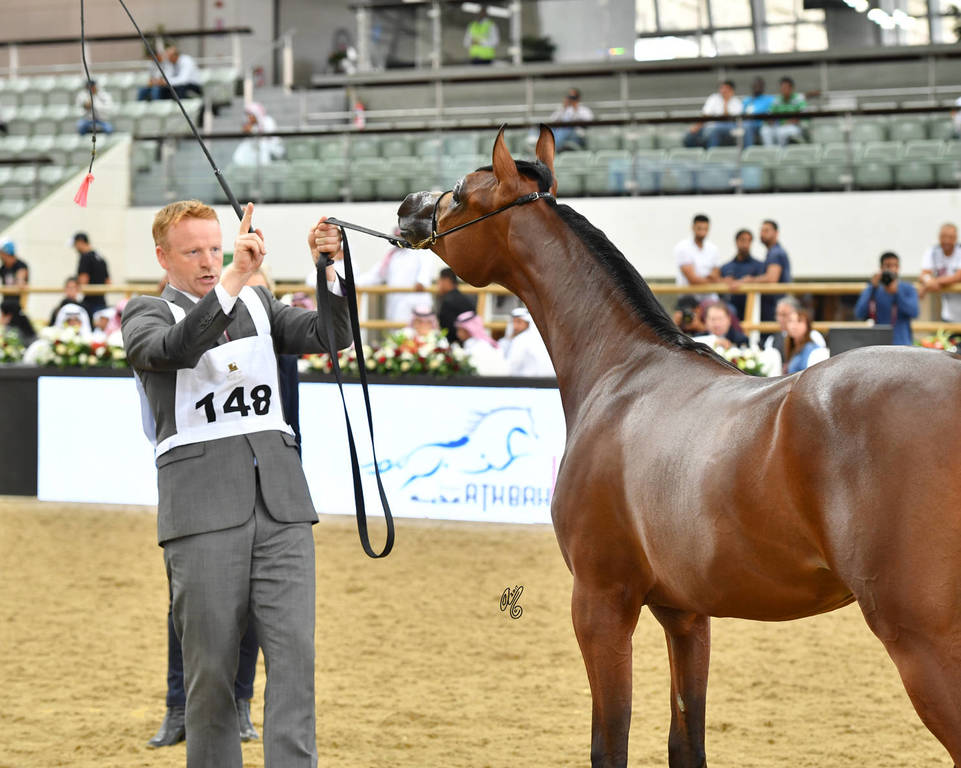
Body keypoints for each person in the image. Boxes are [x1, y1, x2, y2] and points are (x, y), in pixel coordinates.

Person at [121, 199, 351, 768]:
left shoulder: (258, 301)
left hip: (282, 506)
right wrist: (229, 282)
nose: (206, 261)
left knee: (296, 664)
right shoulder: (145, 311)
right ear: (162, 258)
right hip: (200, 512)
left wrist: (329, 268)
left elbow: (331, 332)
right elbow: (168, 352)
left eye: (213, 248)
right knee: (211, 676)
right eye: (191, 251)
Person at [355, 237, 434, 324]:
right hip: (394, 302)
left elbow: (425, 270)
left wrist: (421, 281)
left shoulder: (419, 250)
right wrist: (354, 283)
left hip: (414, 301)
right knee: (395, 333)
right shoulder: (392, 254)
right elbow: (376, 274)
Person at [853, 252, 919, 346]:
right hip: (878, 344)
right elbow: (859, 313)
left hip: (902, 343)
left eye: (895, 266)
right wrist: (872, 288)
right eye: (888, 266)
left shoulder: (907, 288)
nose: (892, 269)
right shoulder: (873, 289)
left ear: (899, 268)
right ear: (881, 268)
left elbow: (914, 312)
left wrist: (897, 293)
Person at [736, 219, 792, 322]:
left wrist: (749, 280)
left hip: (776, 305)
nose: (762, 234)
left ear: (776, 233)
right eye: (761, 231)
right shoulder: (772, 252)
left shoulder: (776, 253)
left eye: (766, 231)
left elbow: (771, 278)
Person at [720, 229, 766, 320]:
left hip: (753, 312)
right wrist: (724, 282)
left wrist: (747, 281)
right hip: (731, 310)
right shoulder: (726, 267)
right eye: (743, 240)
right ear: (736, 242)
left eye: (749, 241)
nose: (745, 244)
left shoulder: (759, 266)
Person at [919, 223, 961, 322]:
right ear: (939, 237)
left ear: (955, 238)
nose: (946, 240)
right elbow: (924, 274)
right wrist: (928, 281)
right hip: (949, 313)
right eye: (943, 237)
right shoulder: (933, 252)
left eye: (950, 237)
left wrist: (934, 282)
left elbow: (958, 276)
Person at [684, 80, 743, 149]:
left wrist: (726, 102)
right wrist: (696, 127)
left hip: (729, 128)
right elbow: (705, 115)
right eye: (721, 88)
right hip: (709, 126)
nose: (723, 91)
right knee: (689, 137)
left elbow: (728, 119)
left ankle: (711, 154)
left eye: (726, 88)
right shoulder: (714, 98)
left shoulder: (737, 102)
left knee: (714, 131)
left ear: (731, 90)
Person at [674, 214, 720, 301]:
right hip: (689, 299)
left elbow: (716, 275)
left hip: (710, 298)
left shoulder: (713, 248)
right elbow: (692, 279)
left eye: (705, 229)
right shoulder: (682, 247)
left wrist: (706, 280)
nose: (702, 232)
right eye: (699, 228)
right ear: (693, 228)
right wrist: (711, 280)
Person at [138, 45, 203, 102]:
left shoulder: (186, 61)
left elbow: (183, 80)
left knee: (176, 89)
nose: (167, 58)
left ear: (174, 55)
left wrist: (164, 82)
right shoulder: (171, 63)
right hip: (178, 86)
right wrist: (160, 81)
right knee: (160, 89)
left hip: (192, 86)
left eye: (168, 56)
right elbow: (168, 77)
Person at [230, 102, 284, 167]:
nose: (248, 117)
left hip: (271, 149)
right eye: (247, 115)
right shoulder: (250, 125)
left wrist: (253, 131)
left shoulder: (268, 121)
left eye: (250, 115)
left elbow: (270, 138)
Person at [455, 310, 507, 376]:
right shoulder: (472, 344)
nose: (457, 333)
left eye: (460, 330)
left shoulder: (480, 347)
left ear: (468, 330)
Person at [505, 307, 553, 377]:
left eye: (519, 322)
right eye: (513, 322)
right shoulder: (540, 339)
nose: (515, 326)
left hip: (527, 383)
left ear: (528, 323)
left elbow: (511, 367)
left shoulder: (521, 340)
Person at [73, 232, 111, 321]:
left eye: (75, 244)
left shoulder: (85, 257)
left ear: (80, 242)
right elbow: (108, 281)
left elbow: (83, 279)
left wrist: (78, 289)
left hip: (89, 302)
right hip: (101, 300)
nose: (75, 248)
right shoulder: (100, 257)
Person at [761, 76, 806, 147]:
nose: (783, 90)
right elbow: (769, 114)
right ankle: (770, 152)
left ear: (791, 88)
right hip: (779, 125)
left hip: (795, 127)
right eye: (782, 88)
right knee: (765, 130)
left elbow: (803, 114)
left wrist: (792, 121)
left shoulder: (799, 98)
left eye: (785, 88)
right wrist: (770, 120)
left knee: (781, 132)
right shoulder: (777, 100)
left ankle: (781, 154)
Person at [436, 268, 476, 344]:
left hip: (455, 344)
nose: (438, 286)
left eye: (439, 282)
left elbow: (447, 328)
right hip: (470, 340)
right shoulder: (465, 299)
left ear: (446, 281)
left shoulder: (448, 301)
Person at [784, 308, 828, 374]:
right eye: (791, 321)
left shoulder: (811, 348)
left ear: (807, 325)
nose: (794, 325)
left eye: (799, 321)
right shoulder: (791, 347)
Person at [741, 77, 775, 148]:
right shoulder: (746, 101)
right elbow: (742, 114)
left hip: (763, 124)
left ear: (763, 87)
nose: (757, 87)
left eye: (759, 85)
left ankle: (748, 150)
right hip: (748, 123)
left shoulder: (770, 99)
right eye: (755, 85)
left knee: (747, 126)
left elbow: (771, 113)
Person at [0, 238, 28, 312]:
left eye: (1, 253)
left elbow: (21, 280)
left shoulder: (20, 265)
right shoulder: (3, 267)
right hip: (6, 303)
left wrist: (20, 281)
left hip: (18, 305)